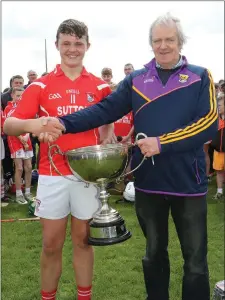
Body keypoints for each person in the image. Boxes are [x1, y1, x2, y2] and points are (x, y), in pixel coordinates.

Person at [5, 13, 219, 300]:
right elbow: (102, 111)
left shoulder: (200, 75)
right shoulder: (136, 79)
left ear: (180, 41)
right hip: (148, 183)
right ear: (151, 44)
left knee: (195, 262)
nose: (164, 45)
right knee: (153, 255)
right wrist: (62, 124)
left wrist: (162, 143)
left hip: (188, 181)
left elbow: (209, 123)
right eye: (158, 40)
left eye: (170, 40)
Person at [4, 19, 114, 300]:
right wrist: (37, 125)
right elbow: (10, 125)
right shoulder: (40, 85)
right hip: (52, 174)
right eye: (66, 43)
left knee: (83, 241)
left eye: (78, 43)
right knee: (51, 244)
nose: (73, 49)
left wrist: (106, 135)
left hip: (87, 175)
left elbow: (107, 124)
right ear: (57, 45)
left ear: (87, 46)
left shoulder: (101, 87)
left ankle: (84, 296)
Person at [4, 87, 33, 204]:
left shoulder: (26, 107)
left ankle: (27, 192)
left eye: (22, 96)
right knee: (19, 168)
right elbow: (10, 126)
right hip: (15, 140)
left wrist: (26, 137)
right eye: (17, 95)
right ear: (12, 95)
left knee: (29, 167)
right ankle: (18, 194)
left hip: (27, 139)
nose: (20, 98)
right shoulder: (8, 108)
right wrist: (21, 138)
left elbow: (31, 123)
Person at [211, 92, 225, 200]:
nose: (218, 108)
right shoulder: (215, 119)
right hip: (217, 151)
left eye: (220, 105)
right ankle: (219, 192)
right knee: (219, 171)